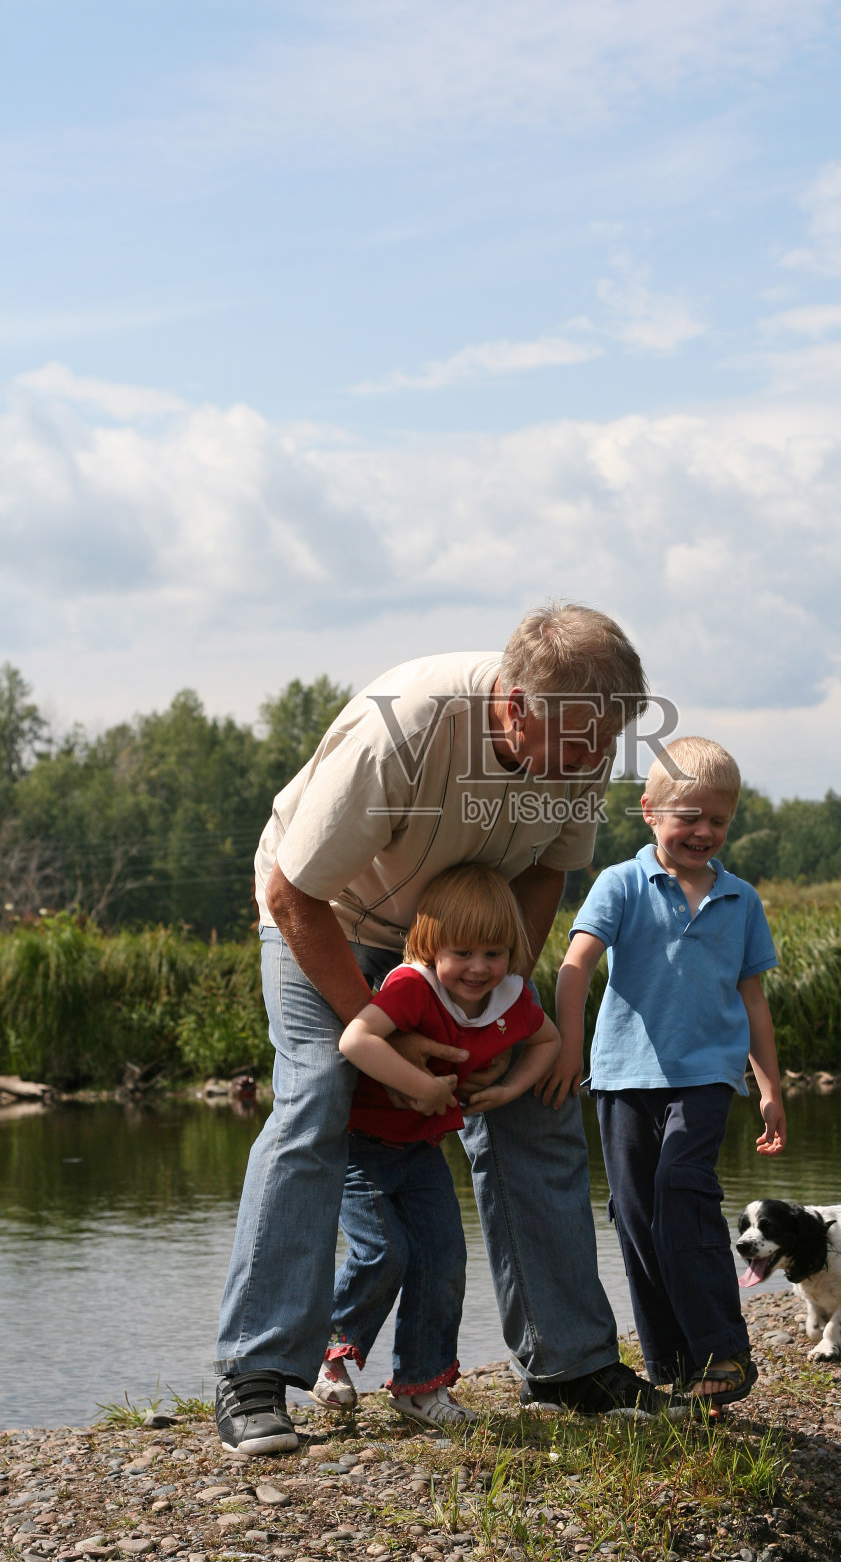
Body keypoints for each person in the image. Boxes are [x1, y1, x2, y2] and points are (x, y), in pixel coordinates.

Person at [215, 602, 667, 1456]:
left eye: (606, 746)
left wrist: (503, 1013)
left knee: (536, 1098)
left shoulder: (579, 743)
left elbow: (542, 871)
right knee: (316, 1096)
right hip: (328, 912)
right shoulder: (407, 730)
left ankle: (567, 1364)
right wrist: (381, 1041)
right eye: (578, 748)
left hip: (460, 937)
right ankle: (255, 1375)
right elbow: (292, 894)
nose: (592, 765)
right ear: (512, 706)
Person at [555, 736, 786, 1410]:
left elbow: (753, 1001)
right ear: (649, 811)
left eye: (718, 820)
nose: (704, 832)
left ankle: (723, 1352)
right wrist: (569, 1050)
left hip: (706, 1076)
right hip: (623, 1076)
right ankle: (674, 1361)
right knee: (635, 1211)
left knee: (680, 1192)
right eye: (689, 816)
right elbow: (575, 965)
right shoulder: (621, 884)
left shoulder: (741, 901)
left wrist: (769, 1086)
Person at [309, 864, 560, 1428]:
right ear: (429, 946)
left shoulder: (505, 999)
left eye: (494, 953)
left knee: (445, 1257)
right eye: (462, 952)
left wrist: (509, 1088)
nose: (479, 968)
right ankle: (328, 1353)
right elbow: (356, 1038)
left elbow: (548, 1037)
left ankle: (420, 1386)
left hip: (421, 1153)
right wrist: (421, 1085)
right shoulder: (413, 987)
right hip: (361, 1150)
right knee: (384, 1251)